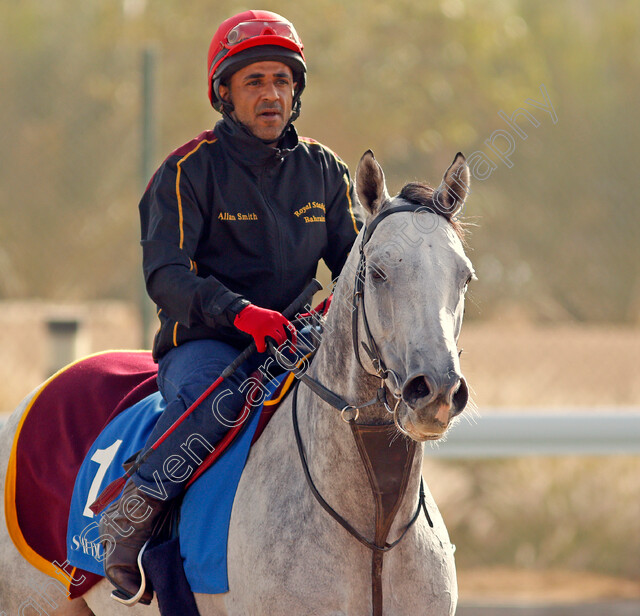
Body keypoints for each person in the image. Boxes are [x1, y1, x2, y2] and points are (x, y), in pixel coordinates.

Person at [98, 9, 364, 604]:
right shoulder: (187, 170)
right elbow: (165, 276)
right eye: (255, 82)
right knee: (213, 397)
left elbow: (351, 271)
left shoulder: (327, 173)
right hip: (208, 343)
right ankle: (132, 512)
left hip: (298, 344)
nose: (272, 94)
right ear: (224, 93)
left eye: (282, 81)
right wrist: (240, 313)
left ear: (296, 92)